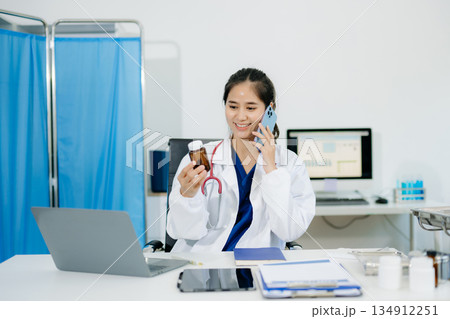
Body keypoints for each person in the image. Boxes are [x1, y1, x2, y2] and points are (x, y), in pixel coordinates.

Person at [167, 68, 315, 252]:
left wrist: (271, 168)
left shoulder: (290, 164)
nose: (240, 116)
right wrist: (187, 196)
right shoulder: (200, 159)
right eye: (233, 106)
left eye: (251, 108)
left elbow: (290, 232)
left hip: (257, 264)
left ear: (270, 110)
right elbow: (184, 232)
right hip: (203, 264)